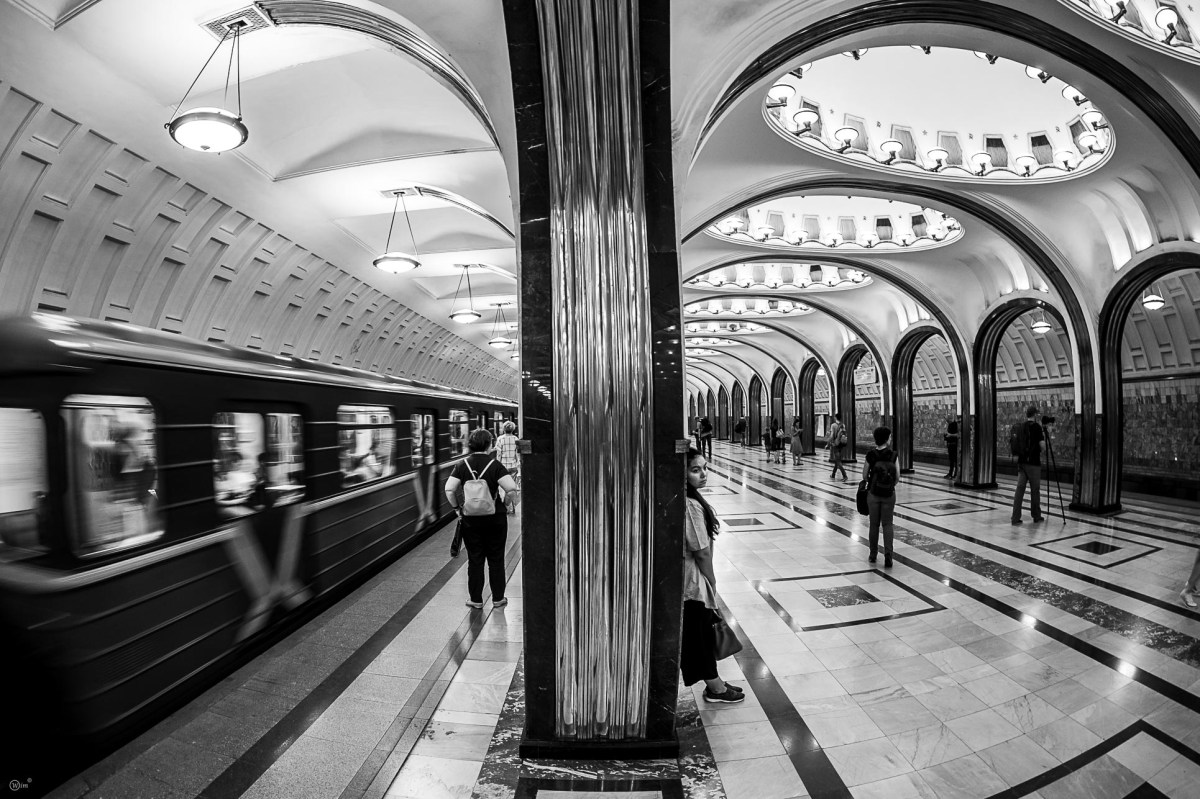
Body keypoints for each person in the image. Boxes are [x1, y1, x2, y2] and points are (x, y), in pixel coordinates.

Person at [680, 446, 744, 704]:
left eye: (705, 468)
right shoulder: (690, 505)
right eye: (696, 470)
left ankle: (715, 683)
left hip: (690, 580)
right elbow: (702, 552)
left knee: (700, 635)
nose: (703, 474)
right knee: (700, 637)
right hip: (693, 582)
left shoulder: (690, 499)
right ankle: (715, 688)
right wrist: (712, 581)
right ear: (683, 473)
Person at [445, 428, 520, 608]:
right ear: (489, 444)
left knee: (475, 560)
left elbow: (449, 489)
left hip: (471, 520)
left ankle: (476, 600)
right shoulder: (495, 465)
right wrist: (505, 502)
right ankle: (498, 599)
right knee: (496, 559)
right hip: (495, 519)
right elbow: (511, 489)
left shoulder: (462, 465)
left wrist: (456, 508)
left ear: (471, 444)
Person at [862, 426, 898, 567]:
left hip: (873, 494)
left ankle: (873, 554)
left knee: (874, 524)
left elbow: (864, 475)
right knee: (887, 524)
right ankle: (888, 555)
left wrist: (873, 482)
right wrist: (890, 485)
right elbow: (897, 476)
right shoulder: (893, 455)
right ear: (887, 439)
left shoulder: (870, 455)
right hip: (889, 494)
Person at [1011, 406, 1045, 525]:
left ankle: (1015, 517)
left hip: (1022, 463)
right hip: (1033, 464)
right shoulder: (1037, 427)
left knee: (1019, 490)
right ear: (1034, 415)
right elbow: (1042, 446)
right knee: (1035, 491)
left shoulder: (1021, 426)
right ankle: (1036, 515)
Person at [495, 421, 521, 513]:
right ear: (513, 429)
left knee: (503, 489)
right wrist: (518, 466)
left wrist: (497, 465)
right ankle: (511, 508)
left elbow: (498, 454)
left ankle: (506, 508)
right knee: (511, 488)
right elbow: (517, 455)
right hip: (513, 467)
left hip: (503, 467)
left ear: (504, 429)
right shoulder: (516, 439)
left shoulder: (500, 439)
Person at [828, 413, 848, 482]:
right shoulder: (843, 425)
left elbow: (832, 435)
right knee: (837, 459)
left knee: (838, 461)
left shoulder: (833, 425)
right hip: (841, 444)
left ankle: (845, 475)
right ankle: (833, 474)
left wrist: (828, 443)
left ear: (835, 417)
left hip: (835, 444)